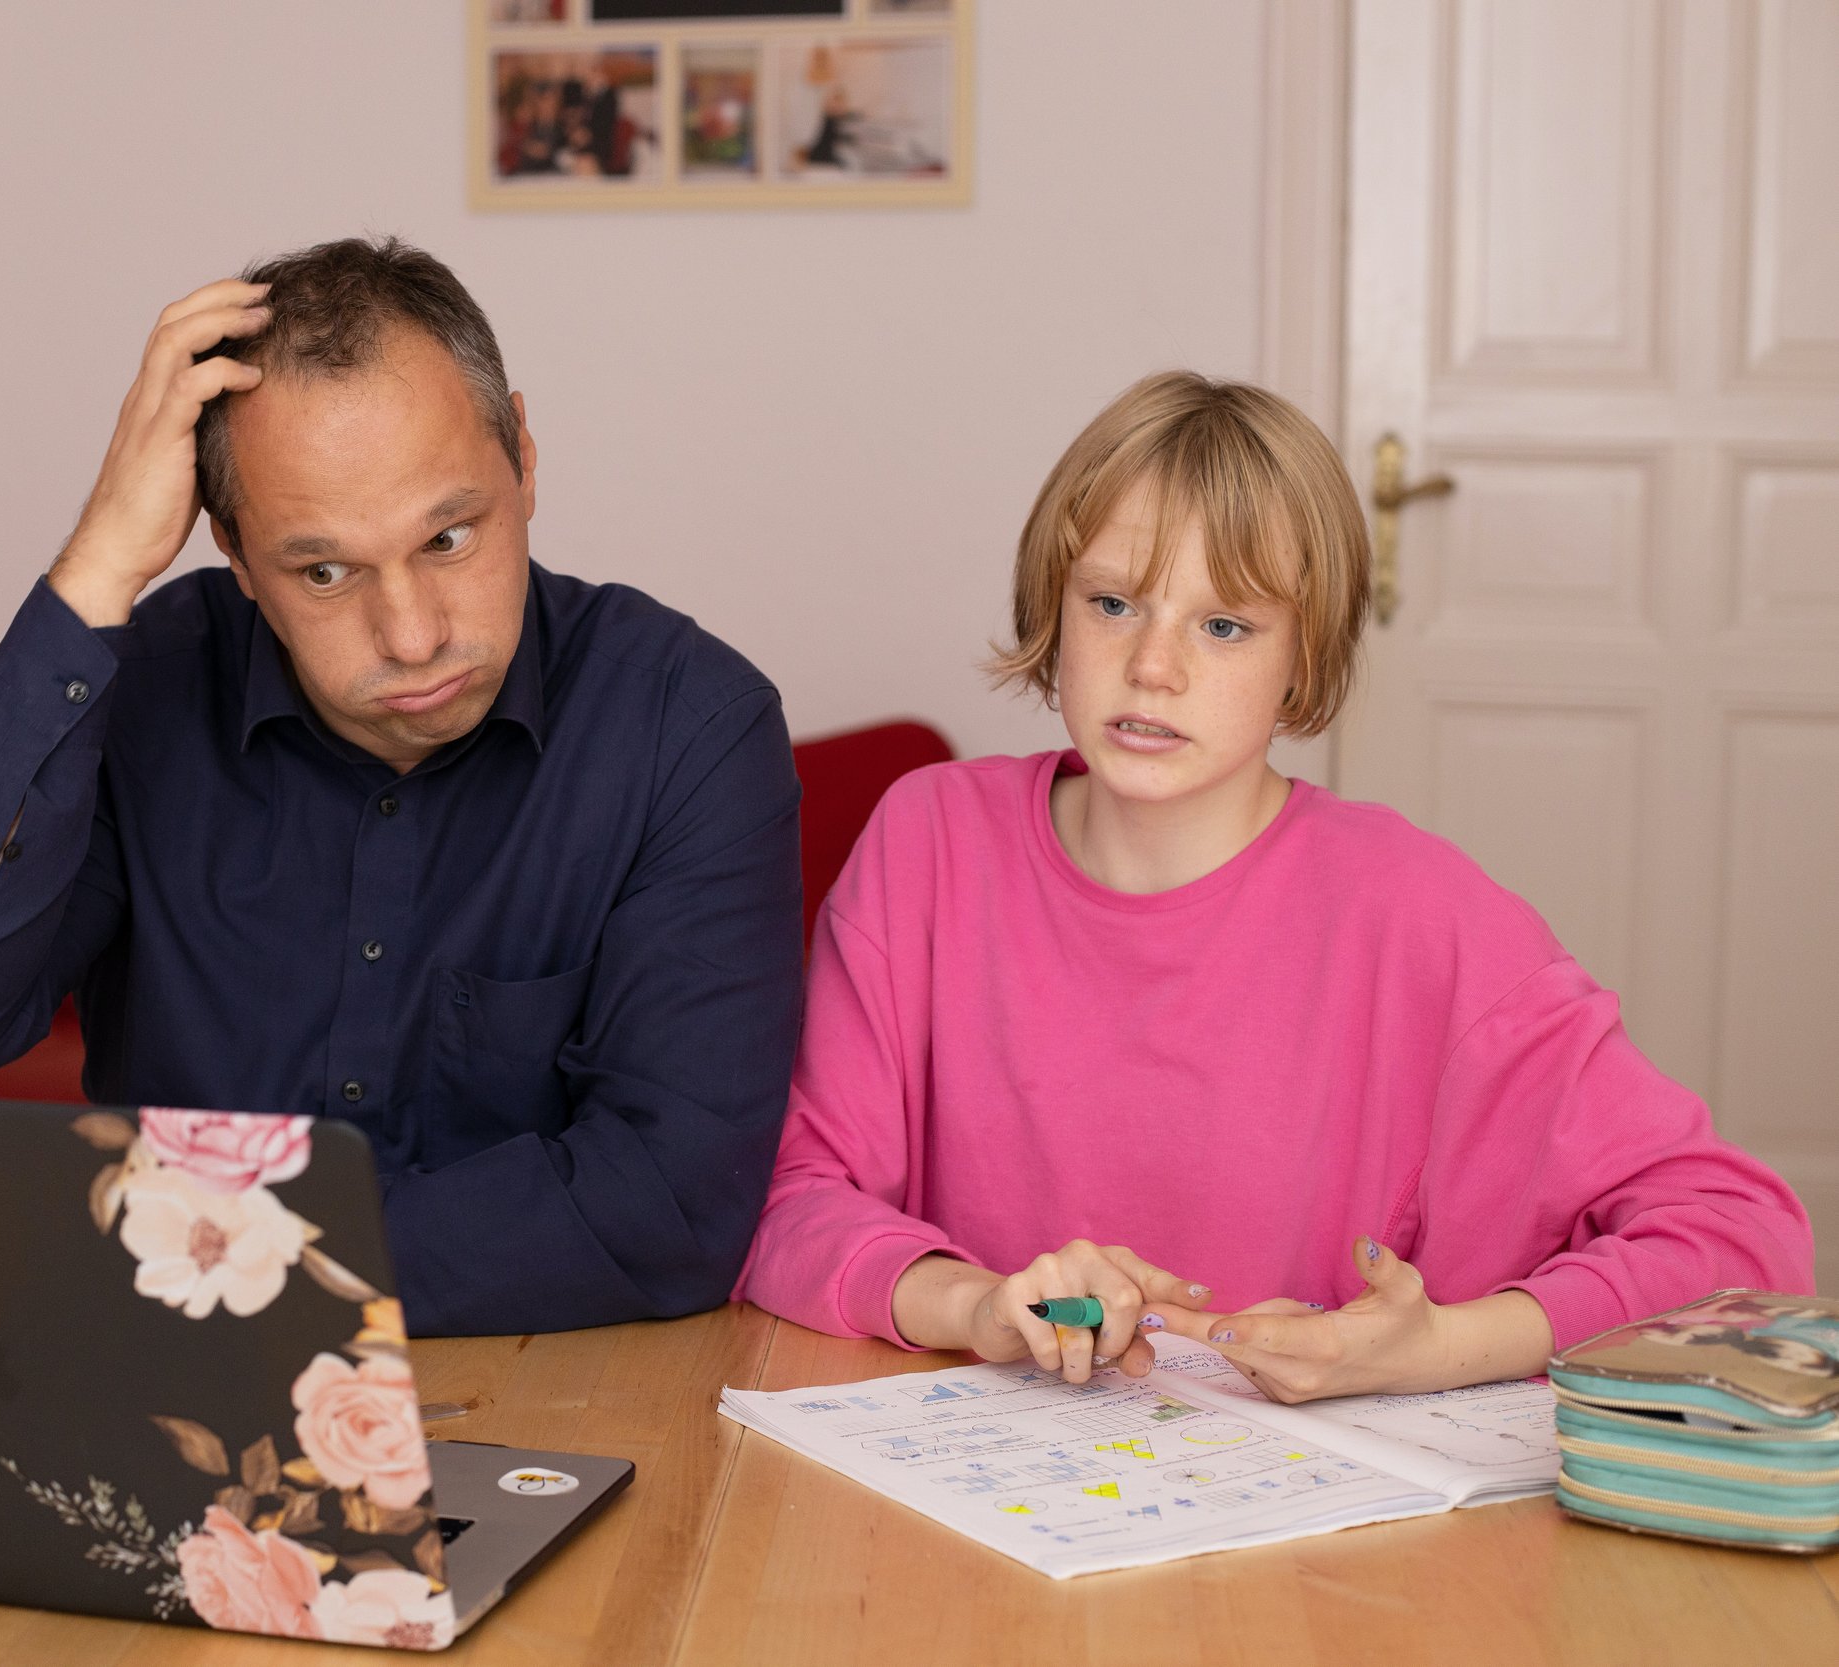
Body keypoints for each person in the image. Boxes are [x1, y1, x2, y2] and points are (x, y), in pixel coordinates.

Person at [733, 371, 1815, 1403]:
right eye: (1112, 602)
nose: (1153, 666)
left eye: (1223, 625)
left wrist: (1441, 1345)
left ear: (1303, 657)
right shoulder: (928, 840)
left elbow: (1739, 1232)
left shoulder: (1418, 912)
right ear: (1051, 609)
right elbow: (785, 1200)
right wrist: (976, 1305)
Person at [0, 238, 804, 1337]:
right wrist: (97, 564)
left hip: (557, 1380)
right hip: (181, 1392)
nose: (414, 634)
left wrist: (243, 1261)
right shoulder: (132, 694)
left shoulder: (687, 723)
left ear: (523, 454)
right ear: (231, 550)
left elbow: (671, 1206)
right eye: (323, 570)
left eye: (450, 535)